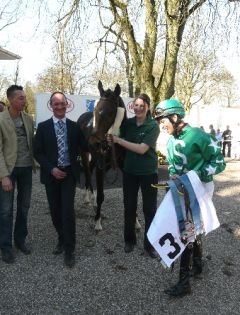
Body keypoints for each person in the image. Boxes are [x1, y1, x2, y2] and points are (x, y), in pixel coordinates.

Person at [154, 99, 225, 297]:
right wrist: (175, 177)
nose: (162, 125)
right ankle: (199, 264)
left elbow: (219, 162)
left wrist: (196, 175)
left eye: (163, 121)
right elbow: (173, 167)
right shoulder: (170, 141)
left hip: (200, 189)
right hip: (181, 189)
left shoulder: (200, 136)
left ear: (175, 117)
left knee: (188, 230)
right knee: (193, 227)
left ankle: (184, 282)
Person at [107, 93, 160, 258]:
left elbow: (142, 149)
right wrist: (111, 139)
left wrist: (118, 141)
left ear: (148, 107)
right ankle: (129, 240)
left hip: (149, 173)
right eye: (135, 105)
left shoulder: (153, 126)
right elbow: (117, 137)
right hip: (129, 172)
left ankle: (149, 244)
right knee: (129, 207)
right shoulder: (128, 124)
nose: (137, 108)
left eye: (141, 105)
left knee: (149, 209)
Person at [33, 92, 82, 268]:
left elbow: (85, 147)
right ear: (51, 106)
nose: (60, 107)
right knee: (55, 211)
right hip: (51, 174)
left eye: (62, 103)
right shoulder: (43, 127)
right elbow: (37, 152)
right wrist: (51, 169)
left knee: (67, 211)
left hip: (69, 174)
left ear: (67, 105)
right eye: (56, 104)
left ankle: (69, 249)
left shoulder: (75, 127)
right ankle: (62, 238)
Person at [0, 85, 35, 264]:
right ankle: (5, 246)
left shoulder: (28, 119)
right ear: (11, 100)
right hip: (9, 170)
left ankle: (20, 240)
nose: (24, 100)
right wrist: (4, 176)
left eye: (24, 97)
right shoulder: (0, 120)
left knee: (24, 206)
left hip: (26, 169)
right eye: (21, 98)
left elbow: (34, 143)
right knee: (5, 210)